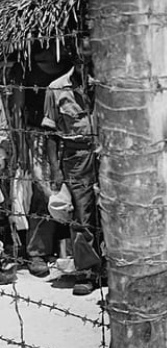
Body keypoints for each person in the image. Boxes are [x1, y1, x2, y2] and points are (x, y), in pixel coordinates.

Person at [10, 41, 74, 279]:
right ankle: (38, 251)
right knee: (44, 191)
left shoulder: (72, 67)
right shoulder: (26, 66)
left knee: (77, 192)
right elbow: (18, 107)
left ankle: (73, 252)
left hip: (70, 134)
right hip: (37, 133)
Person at [42, 45, 101, 296]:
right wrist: (56, 170)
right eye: (82, 62)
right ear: (74, 62)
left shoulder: (107, 85)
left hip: (109, 154)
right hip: (76, 156)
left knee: (112, 211)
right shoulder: (56, 89)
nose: (86, 68)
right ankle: (86, 271)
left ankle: (111, 268)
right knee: (82, 216)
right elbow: (51, 133)